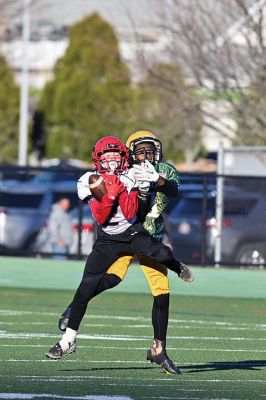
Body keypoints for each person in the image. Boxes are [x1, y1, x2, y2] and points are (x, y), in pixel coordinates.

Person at [45, 135, 192, 370]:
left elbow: (142, 208)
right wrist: (112, 192)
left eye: (116, 154)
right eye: (106, 155)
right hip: (109, 239)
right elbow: (102, 217)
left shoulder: (139, 172)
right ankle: (67, 341)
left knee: (162, 257)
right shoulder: (88, 180)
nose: (111, 159)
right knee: (90, 284)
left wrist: (151, 184)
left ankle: (177, 269)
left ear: (124, 156)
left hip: (136, 232)